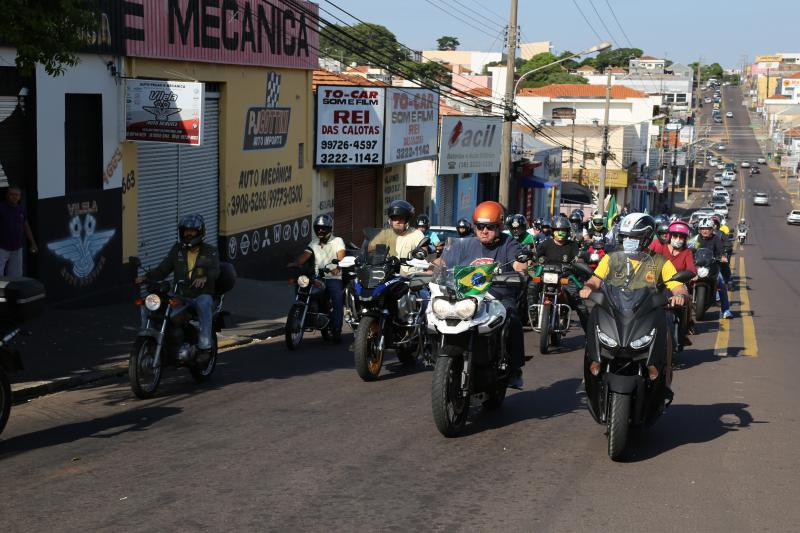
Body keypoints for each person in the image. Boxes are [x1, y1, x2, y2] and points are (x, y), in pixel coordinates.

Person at [579, 214, 690, 386]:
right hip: (616, 310)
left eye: (634, 237)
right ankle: (592, 367)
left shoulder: (660, 261)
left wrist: (680, 295)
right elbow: (595, 279)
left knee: (666, 328)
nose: (628, 241)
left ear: (645, 238)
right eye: (626, 237)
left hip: (647, 313)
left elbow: (677, 285)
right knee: (595, 315)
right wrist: (588, 288)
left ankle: (663, 376)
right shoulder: (612, 257)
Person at [440, 201, 528, 389]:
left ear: (500, 226)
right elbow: (443, 262)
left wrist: (521, 269)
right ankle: (435, 355)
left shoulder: (508, 243)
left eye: (490, 227)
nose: (484, 231)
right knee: (435, 311)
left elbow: (519, 264)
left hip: (498, 297)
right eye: (480, 226)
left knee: (512, 318)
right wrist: (427, 267)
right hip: (466, 297)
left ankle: (514, 368)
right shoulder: (465, 244)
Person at [135, 214, 219, 362]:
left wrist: (205, 277)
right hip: (179, 295)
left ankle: (205, 346)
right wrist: (146, 278)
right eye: (185, 230)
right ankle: (149, 338)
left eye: (192, 231)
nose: (188, 233)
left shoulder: (210, 250)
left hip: (201, 294)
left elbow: (215, 270)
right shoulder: (177, 249)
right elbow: (163, 269)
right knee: (148, 305)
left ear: (200, 232)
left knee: (204, 304)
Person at [287, 214, 346, 342]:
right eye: (318, 228)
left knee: (337, 301)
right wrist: (296, 263)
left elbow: (341, 256)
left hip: (333, 278)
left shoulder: (338, 241)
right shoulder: (313, 243)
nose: (320, 231)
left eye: (323, 228)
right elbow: (305, 256)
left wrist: (337, 266)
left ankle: (336, 330)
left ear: (329, 228)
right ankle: (302, 311)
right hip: (317, 277)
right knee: (301, 285)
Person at [530, 215, 590, 332]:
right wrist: (531, 255)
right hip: (546, 276)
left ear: (568, 232)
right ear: (553, 231)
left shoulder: (572, 245)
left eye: (563, 231)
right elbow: (535, 255)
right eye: (558, 231)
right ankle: (533, 314)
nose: (560, 233)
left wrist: (580, 260)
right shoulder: (546, 243)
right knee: (532, 286)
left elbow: (579, 258)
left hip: (565, 277)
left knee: (580, 303)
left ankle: (590, 334)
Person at [653, 220, 697, 346]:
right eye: (675, 236)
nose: (678, 239)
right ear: (669, 236)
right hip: (656, 284)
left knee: (685, 298)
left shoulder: (687, 252)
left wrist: (690, 275)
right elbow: (647, 259)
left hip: (678, 284)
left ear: (685, 239)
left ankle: (682, 331)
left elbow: (691, 269)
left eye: (681, 237)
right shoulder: (660, 247)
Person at [369, 200, 426, 276]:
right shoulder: (385, 234)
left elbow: (424, 250)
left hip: (408, 278)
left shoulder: (416, 234)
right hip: (387, 276)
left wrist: (420, 253)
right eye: (394, 218)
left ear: (407, 221)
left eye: (401, 218)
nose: (397, 222)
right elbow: (370, 248)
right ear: (390, 221)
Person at [696, 218, 733, 319]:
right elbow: (690, 248)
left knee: (721, 283)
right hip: (698, 266)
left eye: (707, 228)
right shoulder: (696, 239)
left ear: (712, 229)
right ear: (699, 229)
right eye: (702, 228)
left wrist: (722, 257)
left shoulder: (716, 239)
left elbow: (721, 251)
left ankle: (726, 310)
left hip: (712, 267)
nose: (705, 230)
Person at [0, 186, 38, 276]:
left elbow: (26, 226)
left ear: (20, 197)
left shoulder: (21, 209)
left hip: (17, 249)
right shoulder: (0, 208)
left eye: (16, 195)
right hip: (1, 248)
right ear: (7, 195)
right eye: (11, 194)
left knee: (16, 277)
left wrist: (33, 243)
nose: (14, 197)